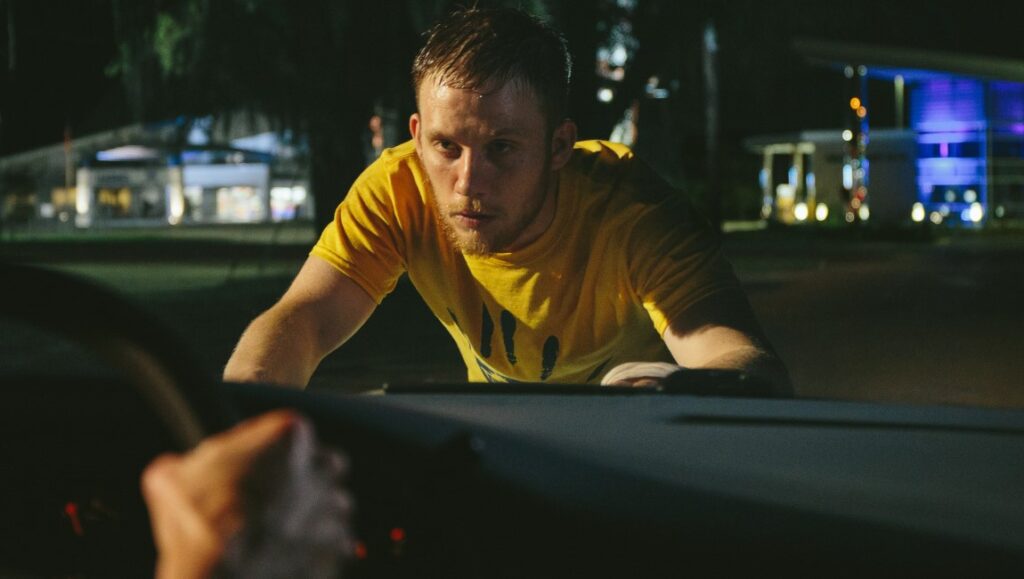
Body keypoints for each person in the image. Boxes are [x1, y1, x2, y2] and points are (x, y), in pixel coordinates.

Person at [223, 7, 790, 394]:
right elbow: (303, 321)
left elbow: (745, 364)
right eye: (447, 146)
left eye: (502, 148)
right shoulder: (398, 189)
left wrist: (675, 390)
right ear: (417, 135)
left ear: (559, 145)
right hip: (506, 456)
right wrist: (236, 418)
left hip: (643, 466)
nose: (469, 181)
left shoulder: (631, 212)